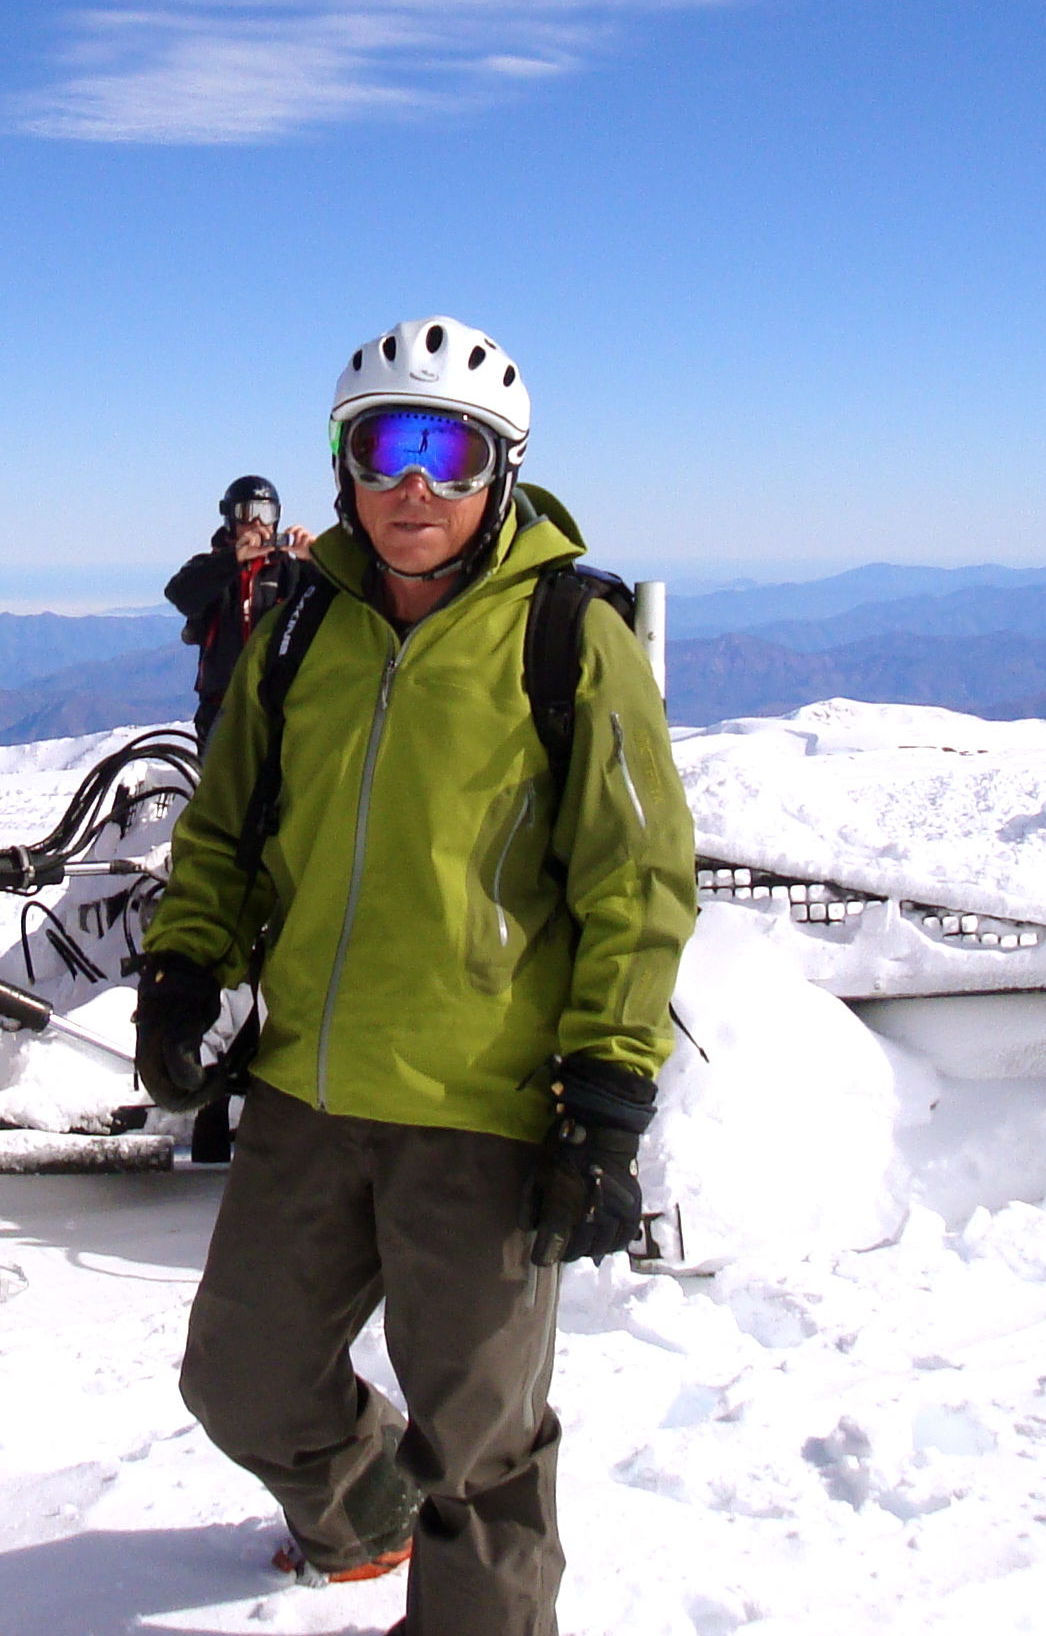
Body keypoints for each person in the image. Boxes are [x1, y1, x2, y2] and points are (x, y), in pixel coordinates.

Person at [133, 317, 696, 1636]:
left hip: (485, 1112)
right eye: (387, 448)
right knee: (242, 1379)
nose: (415, 489)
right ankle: (361, 1510)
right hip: (309, 1095)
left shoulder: (568, 635)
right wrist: (185, 967)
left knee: (485, 1457)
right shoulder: (299, 628)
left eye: (449, 453)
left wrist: (607, 1098)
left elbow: (637, 881)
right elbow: (227, 827)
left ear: (500, 470)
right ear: (343, 466)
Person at [165, 474, 314, 745]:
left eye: (265, 513)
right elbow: (180, 594)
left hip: (280, 708)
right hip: (222, 706)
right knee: (222, 784)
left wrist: (317, 558)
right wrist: (233, 559)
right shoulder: (211, 569)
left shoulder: (291, 572)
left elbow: (341, 601)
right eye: (247, 513)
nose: (257, 524)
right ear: (231, 519)